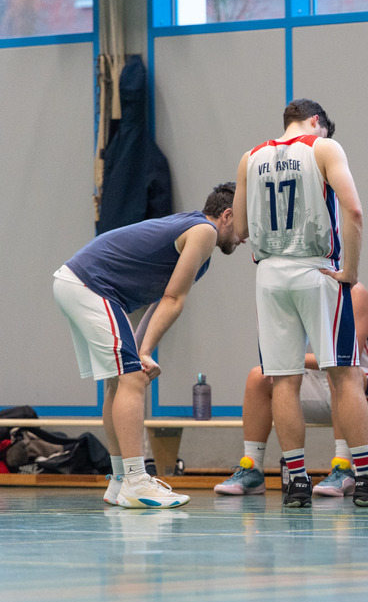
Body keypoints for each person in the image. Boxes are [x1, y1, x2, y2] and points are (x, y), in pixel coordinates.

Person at [232, 98, 368, 508]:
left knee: (282, 379)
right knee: (344, 375)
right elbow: (354, 210)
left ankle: (295, 480)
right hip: (317, 269)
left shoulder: (250, 158)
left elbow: (240, 228)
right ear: (316, 121)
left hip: (269, 274)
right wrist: (349, 270)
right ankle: (366, 478)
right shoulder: (323, 147)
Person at [53, 182, 243, 508]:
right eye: (246, 226)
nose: (246, 237)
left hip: (77, 283)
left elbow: (159, 301)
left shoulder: (197, 240)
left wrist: (141, 350)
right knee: (132, 378)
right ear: (227, 215)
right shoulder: (204, 232)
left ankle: (118, 480)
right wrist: (142, 355)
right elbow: (173, 299)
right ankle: (137, 482)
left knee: (122, 378)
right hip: (91, 285)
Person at [213, 283, 368, 498]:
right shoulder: (286, 290)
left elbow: (348, 355)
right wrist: (280, 361)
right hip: (314, 382)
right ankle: (253, 467)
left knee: (339, 371)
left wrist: (285, 358)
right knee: (257, 376)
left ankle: (344, 469)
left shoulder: (354, 292)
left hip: (364, 384)